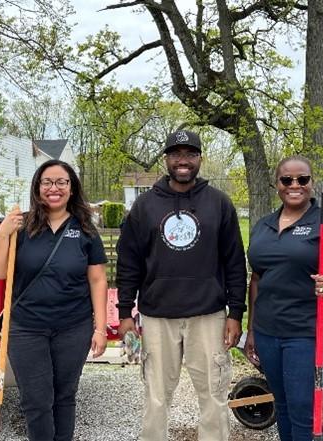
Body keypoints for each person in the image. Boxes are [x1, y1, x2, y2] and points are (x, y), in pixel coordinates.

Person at [116, 129, 247, 441]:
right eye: (176, 154)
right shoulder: (145, 206)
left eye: (190, 154)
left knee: (213, 397)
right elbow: (128, 262)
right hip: (157, 316)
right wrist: (124, 314)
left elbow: (234, 262)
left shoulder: (219, 203)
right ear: (167, 159)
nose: (183, 160)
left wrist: (235, 313)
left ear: (200, 158)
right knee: (156, 398)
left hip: (208, 314)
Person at [0, 159, 108, 441]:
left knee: (65, 396)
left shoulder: (85, 230)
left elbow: (98, 280)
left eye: (61, 182)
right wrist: (3, 233)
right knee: (37, 402)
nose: (54, 188)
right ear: (38, 187)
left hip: (73, 328)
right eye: (47, 182)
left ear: (72, 188)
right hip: (26, 328)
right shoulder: (22, 226)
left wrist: (100, 329)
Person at [244, 155, 323, 441]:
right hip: (268, 332)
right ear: (277, 184)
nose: (294, 185)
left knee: (304, 412)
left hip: (308, 333)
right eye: (287, 179)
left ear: (311, 183)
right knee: (282, 407)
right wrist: (251, 330)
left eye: (302, 179)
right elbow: (257, 279)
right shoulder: (263, 226)